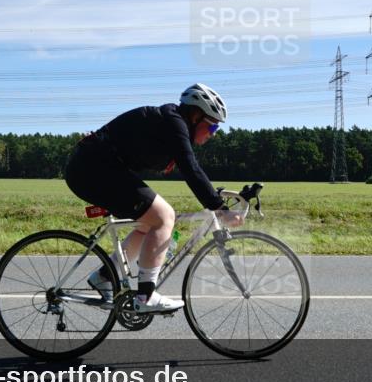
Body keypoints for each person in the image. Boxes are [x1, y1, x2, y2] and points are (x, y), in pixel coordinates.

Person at [64, 84, 243, 314]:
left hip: (98, 168)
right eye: (213, 125)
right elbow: (190, 168)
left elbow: (191, 168)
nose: (213, 133)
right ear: (196, 115)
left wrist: (215, 197)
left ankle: (105, 276)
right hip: (94, 169)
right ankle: (145, 297)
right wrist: (218, 207)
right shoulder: (175, 123)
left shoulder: (173, 123)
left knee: (149, 223)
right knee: (163, 216)